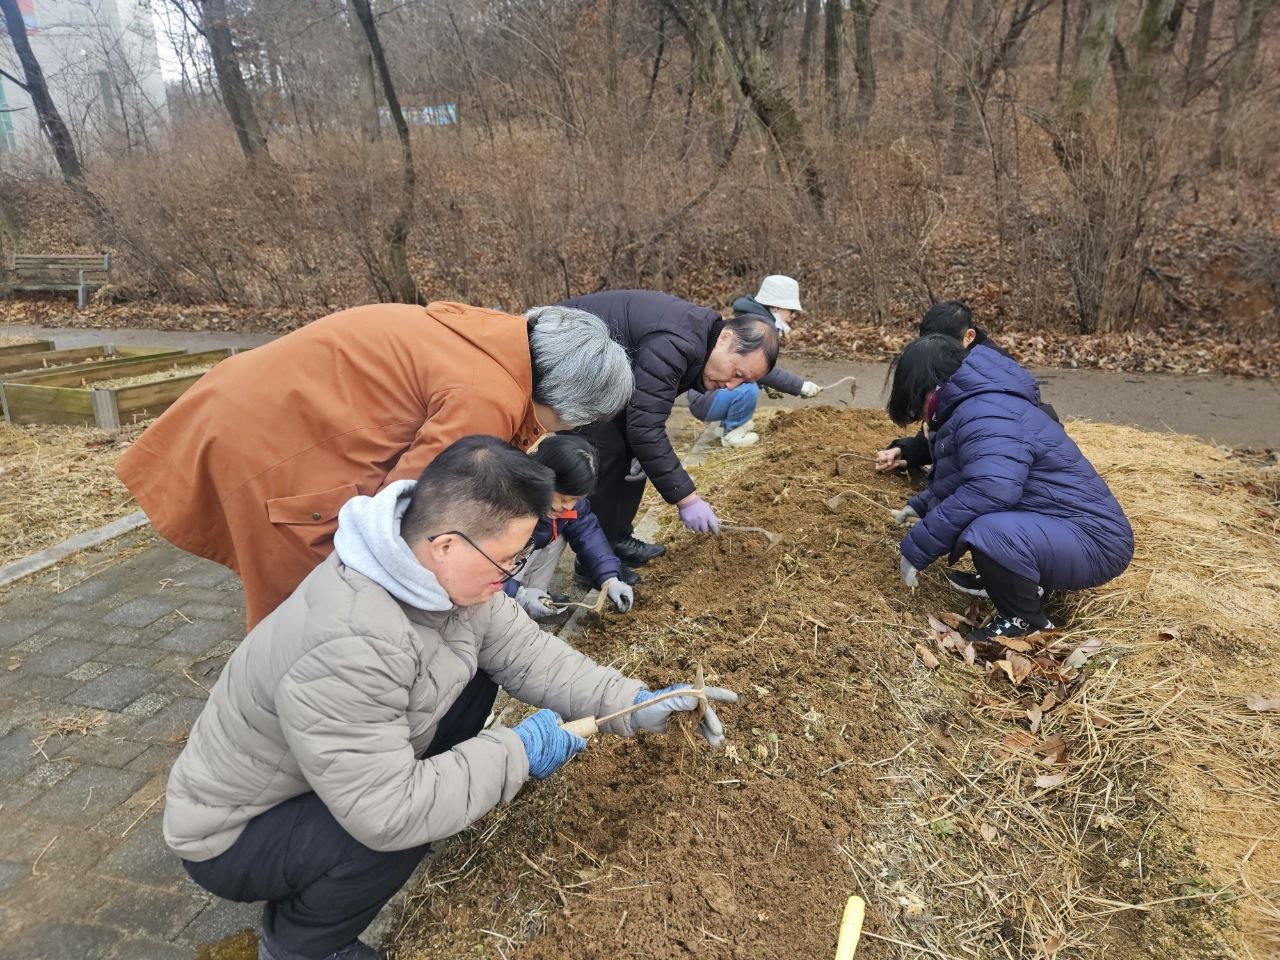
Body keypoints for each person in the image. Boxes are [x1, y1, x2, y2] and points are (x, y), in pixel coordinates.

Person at [165, 436, 737, 960]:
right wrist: (516, 752)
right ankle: (300, 948)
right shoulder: (353, 639)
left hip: (321, 778)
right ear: (443, 545)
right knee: (398, 832)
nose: (512, 572)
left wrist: (634, 703)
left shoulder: (447, 581)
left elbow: (532, 656)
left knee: (474, 691)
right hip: (234, 833)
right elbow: (387, 813)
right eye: (507, 560)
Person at [116, 302, 635, 628]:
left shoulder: (486, 337)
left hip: (246, 407)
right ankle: (289, 732)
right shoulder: (486, 395)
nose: (552, 433)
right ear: (564, 399)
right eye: (564, 423)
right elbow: (410, 511)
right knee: (319, 605)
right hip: (267, 444)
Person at [887, 336, 1133, 643]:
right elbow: (963, 476)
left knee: (987, 529)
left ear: (928, 385)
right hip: (1067, 530)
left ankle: (1024, 620)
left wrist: (917, 548)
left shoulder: (985, 413)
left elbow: (989, 489)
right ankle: (1010, 582)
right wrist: (922, 505)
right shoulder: (977, 404)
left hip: (1095, 542)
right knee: (984, 524)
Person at [557, 290, 779, 568]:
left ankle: (616, 539)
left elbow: (642, 424)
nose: (731, 386)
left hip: (603, 374)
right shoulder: (678, 343)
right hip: (569, 359)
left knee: (635, 453)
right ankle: (595, 562)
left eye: (743, 382)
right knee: (606, 452)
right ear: (726, 338)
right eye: (737, 374)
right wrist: (686, 498)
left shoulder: (703, 342)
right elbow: (645, 428)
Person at [875, 301, 1058, 473]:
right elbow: (947, 426)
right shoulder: (952, 364)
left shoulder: (989, 373)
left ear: (969, 336)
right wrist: (906, 452)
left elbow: (961, 433)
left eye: (943, 344)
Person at [504, 434, 636, 619]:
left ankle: (534, 598)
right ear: (544, 478)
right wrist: (516, 594)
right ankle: (510, 604)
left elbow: (587, 531)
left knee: (562, 529)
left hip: (523, 562)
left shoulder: (564, 504)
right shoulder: (509, 505)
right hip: (495, 578)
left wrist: (610, 579)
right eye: (564, 498)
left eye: (576, 499)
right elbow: (484, 567)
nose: (568, 506)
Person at [687, 275, 821, 447]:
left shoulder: (752, 319)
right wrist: (800, 386)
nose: (791, 316)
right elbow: (765, 373)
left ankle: (726, 425)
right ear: (775, 307)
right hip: (705, 400)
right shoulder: (759, 327)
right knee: (746, 387)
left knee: (744, 381)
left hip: (704, 396)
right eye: (790, 311)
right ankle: (731, 434)